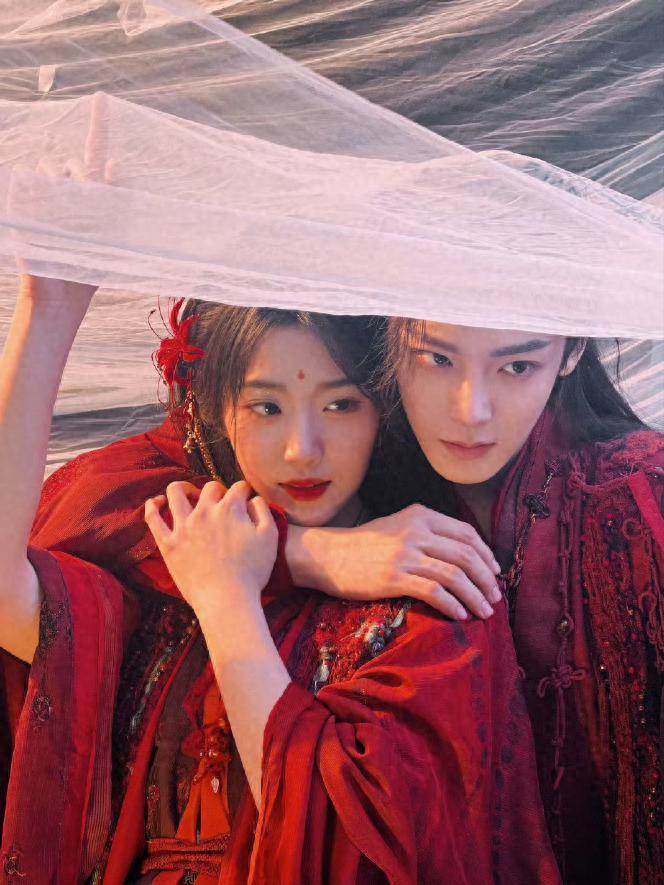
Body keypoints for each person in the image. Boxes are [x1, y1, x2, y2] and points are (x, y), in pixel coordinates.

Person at [0, 277, 559, 884]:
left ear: (382, 411)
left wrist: (227, 600)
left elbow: (341, 845)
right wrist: (45, 311)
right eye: (266, 408)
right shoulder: (165, 580)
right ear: (216, 412)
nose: (302, 451)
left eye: (341, 405)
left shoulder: (431, 593)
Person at [281, 319, 664, 885]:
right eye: (437, 360)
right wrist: (310, 552)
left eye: (517, 366)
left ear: (572, 350)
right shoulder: (348, 445)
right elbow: (136, 497)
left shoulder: (640, 495)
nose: (471, 412)